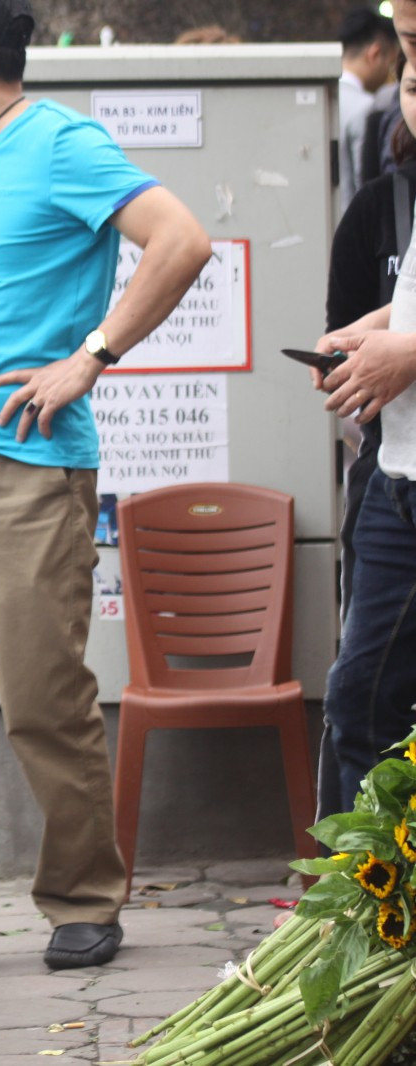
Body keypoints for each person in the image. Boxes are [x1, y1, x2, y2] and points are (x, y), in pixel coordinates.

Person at [0, 0, 211, 987]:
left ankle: (83, 897)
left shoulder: (60, 143)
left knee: (41, 698)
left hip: (24, 457)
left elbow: (181, 240)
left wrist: (89, 358)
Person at [313, 14, 416, 818]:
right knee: (358, 699)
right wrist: (374, 333)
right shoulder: (388, 201)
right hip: (393, 472)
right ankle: (365, 905)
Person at [339, 7, 400, 214]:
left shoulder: (324, 98)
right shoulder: (365, 108)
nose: (388, 73)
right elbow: (364, 184)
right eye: (390, 64)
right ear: (374, 54)